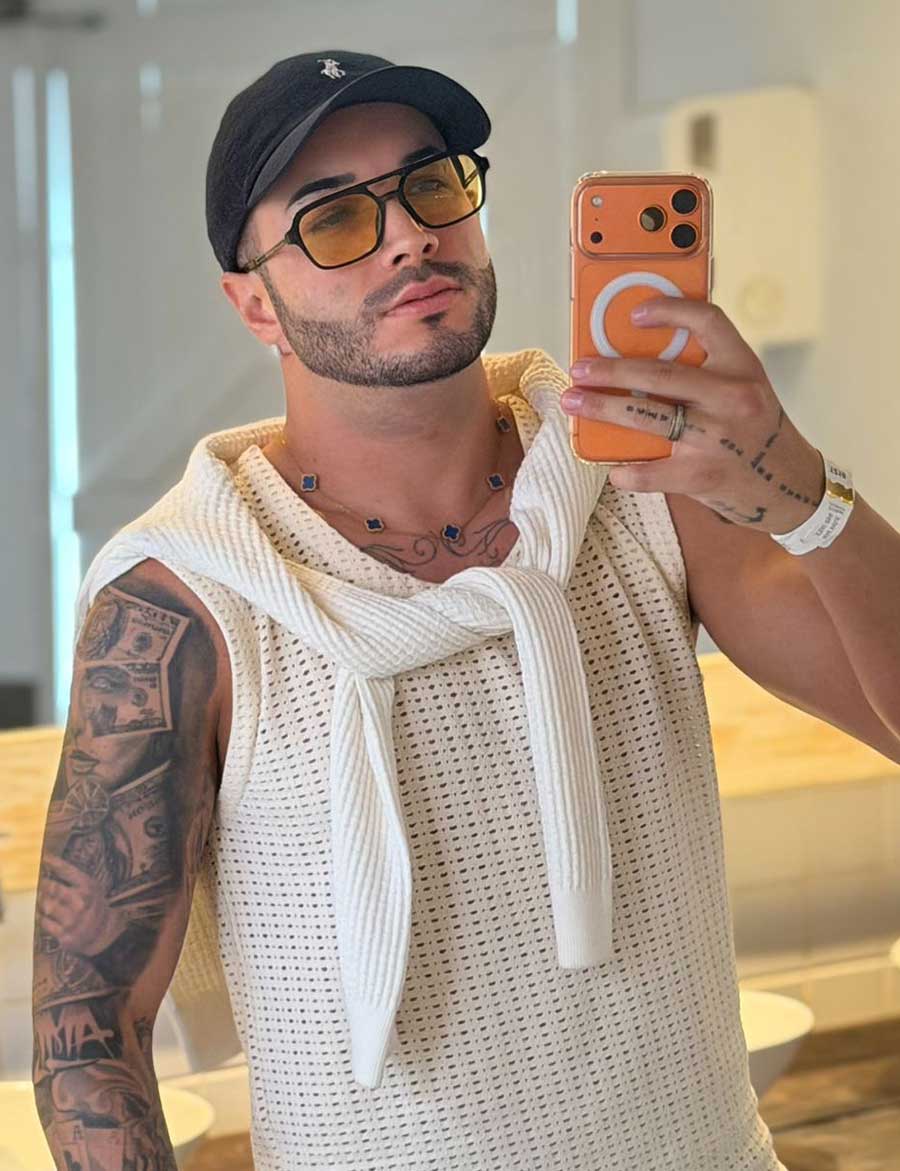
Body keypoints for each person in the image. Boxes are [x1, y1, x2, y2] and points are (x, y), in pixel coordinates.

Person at [32, 48, 900, 1171]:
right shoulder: (191, 594)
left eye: (431, 184)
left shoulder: (639, 489)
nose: (409, 235)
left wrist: (804, 492)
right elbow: (88, 1033)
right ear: (253, 303)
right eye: (335, 218)